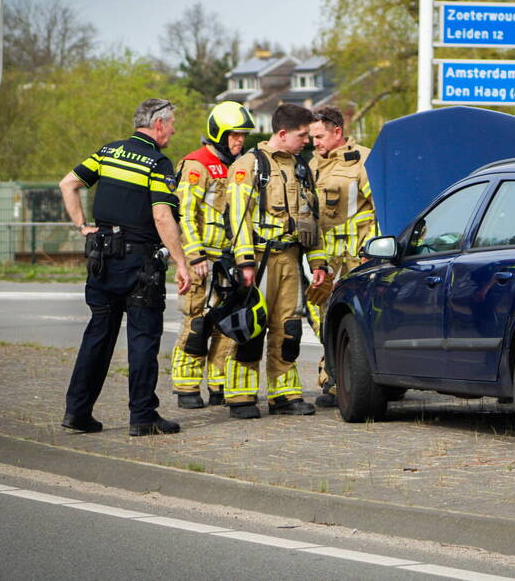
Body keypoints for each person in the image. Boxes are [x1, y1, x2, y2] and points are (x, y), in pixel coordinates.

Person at [59, 98, 192, 436]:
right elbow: (162, 216)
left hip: (102, 259)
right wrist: (181, 262)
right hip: (139, 264)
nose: (174, 130)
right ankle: (142, 417)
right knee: (143, 339)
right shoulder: (157, 162)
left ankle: (77, 412)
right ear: (158, 125)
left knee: (97, 336)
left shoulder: (107, 152)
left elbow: (68, 184)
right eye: (172, 124)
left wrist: (82, 226)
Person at [223, 102, 325, 419]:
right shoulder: (250, 165)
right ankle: (241, 397)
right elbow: (238, 216)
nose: (307, 141)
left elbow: (311, 219)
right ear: (283, 133)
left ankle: (284, 395)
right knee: (251, 330)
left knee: (289, 328)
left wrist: (318, 263)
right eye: (302, 135)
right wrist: (244, 263)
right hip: (259, 259)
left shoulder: (301, 168)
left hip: (292, 261)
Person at [170, 101, 255, 409]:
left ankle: (218, 385)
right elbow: (184, 215)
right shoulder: (196, 165)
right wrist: (195, 256)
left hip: (227, 260)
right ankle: (186, 387)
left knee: (226, 325)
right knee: (197, 323)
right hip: (201, 260)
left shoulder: (235, 166)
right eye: (234, 135)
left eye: (242, 136)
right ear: (217, 133)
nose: (240, 141)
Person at [304, 106, 376, 408]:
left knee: (354, 318)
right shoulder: (311, 164)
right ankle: (332, 374)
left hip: (355, 256)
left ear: (337, 131)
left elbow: (378, 205)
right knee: (320, 314)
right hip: (324, 256)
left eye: (319, 136)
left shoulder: (363, 159)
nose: (315, 143)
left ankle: (340, 381)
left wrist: (371, 250)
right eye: (311, 138)